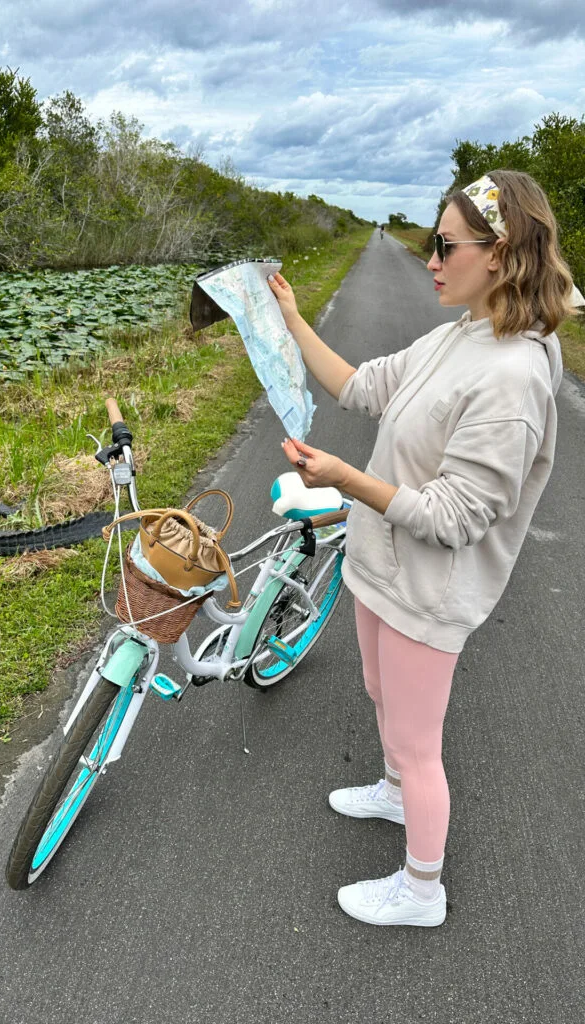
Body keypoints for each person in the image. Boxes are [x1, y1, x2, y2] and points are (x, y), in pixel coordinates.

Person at [267, 169, 579, 927]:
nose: (430, 260)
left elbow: (453, 517)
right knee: (379, 692)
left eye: (444, 246)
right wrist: (291, 319)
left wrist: (346, 477)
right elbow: (362, 386)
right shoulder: (461, 335)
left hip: (429, 587)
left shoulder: (513, 379)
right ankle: (394, 792)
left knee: (417, 737)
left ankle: (421, 889)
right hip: (381, 566)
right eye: (430, 244)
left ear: (501, 255)